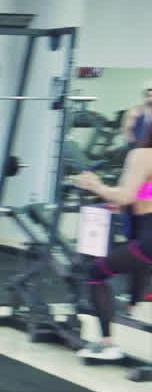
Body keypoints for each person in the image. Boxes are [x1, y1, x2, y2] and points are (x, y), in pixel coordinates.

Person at [73, 142, 152, 361]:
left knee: (96, 273)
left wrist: (95, 185)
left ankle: (107, 344)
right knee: (139, 263)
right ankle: (133, 302)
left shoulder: (143, 154)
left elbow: (125, 196)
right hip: (144, 236)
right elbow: (141, 195)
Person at [121, 83, 152, 148]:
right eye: (149, 96)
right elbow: (127, 130)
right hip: (137, 146)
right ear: (145, 97)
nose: (151, 98)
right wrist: (134, 146)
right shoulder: (135, 111)